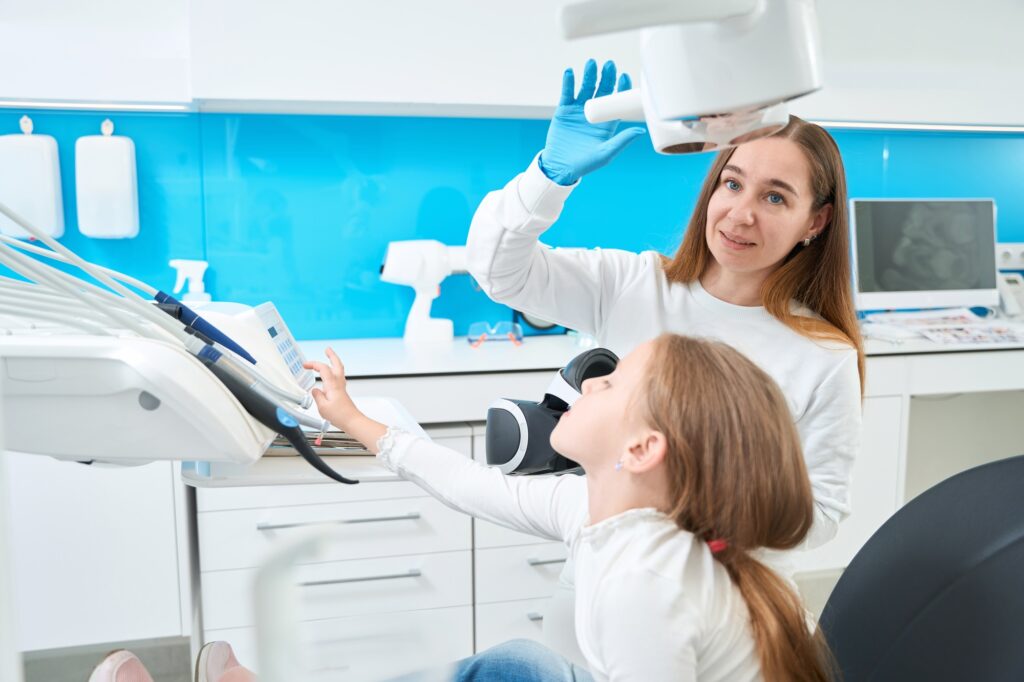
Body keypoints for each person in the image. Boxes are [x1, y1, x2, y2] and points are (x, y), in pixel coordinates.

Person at [465, 58, 864, 665]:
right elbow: (499, 271)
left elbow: (824, 513)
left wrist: (699, 515)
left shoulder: (822, 355)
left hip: (726, 611)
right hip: (604, 581)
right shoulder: (631, 283)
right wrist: (549, 176)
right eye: (732, 184)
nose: (741, 213)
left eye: (775, 197)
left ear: (817, 221)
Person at [301, 336, 833, 681]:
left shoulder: (645, 586)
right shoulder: (591, 505)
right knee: (515, 664)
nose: (592, 380)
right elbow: (465, 482)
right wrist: (349, 416)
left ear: (641, 450)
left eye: (614, 382)